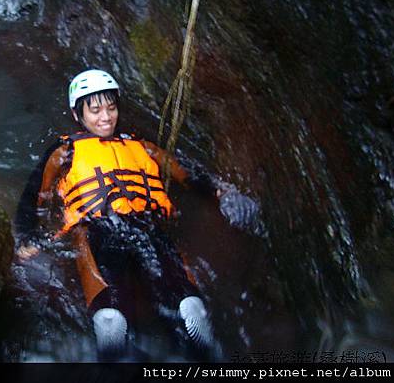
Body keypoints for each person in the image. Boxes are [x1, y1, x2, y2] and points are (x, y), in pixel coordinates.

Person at [15, 69, 258, 360]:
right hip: (96, 227)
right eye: (95, 111)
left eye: (111, 108)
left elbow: (188, 175)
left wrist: (223, 193)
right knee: (111, 309)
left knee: (185, 298)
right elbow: (34, 195)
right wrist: (29, 236)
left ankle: (195, 332)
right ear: (77, 114)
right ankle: (116, 342)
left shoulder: (142, 147)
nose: (105, 117)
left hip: (145, 223)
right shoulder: (64, 151)